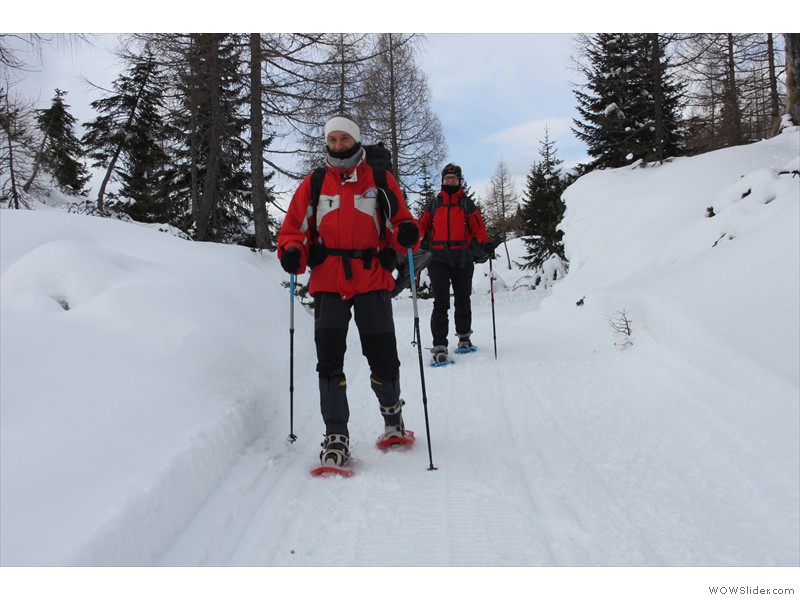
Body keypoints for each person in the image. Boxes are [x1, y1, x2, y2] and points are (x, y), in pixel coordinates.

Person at [277, 115, 420, 468]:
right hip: (328, 280)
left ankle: (392, 418)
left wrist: (405, 237)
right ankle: (336, 435)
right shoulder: (313, 184)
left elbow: (403, 223)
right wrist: (293, 252)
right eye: (333, 139)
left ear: (356, 141)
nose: (338, 145)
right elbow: (293, 229)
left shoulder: (381, 181)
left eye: (344, 138)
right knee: (329, 361)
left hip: (370, 277)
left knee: (381, 355)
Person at [417, 163, 491, 365]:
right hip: (438, 259)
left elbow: (478, 228)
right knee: (441, 302)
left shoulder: (467, 204)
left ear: (459, 181)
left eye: (454, 179)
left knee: (462, 299)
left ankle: (464, 338)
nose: (450, 181)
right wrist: (411, 240)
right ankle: (440, 345)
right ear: (442, 180)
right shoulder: (433, 204)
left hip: (462, 258)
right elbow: (420, 227)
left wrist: (485, 244)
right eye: (447, 178)